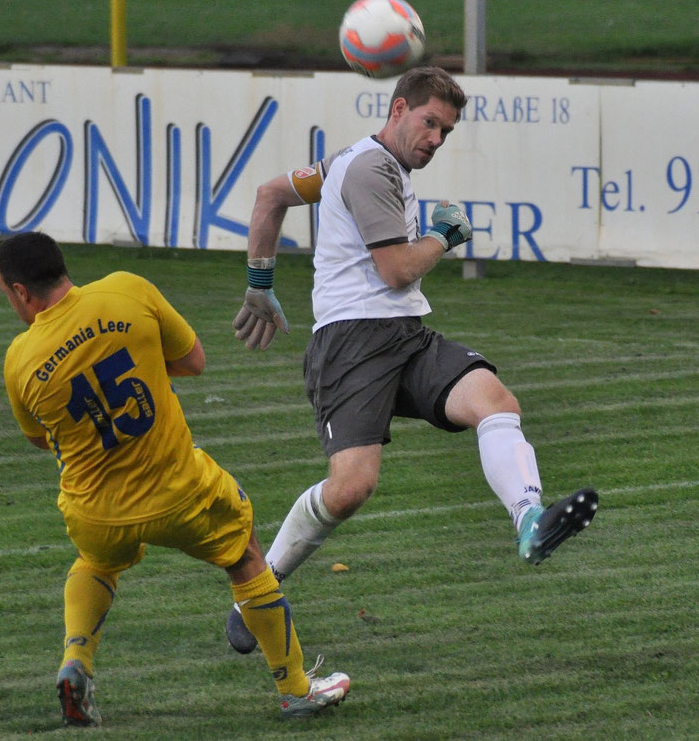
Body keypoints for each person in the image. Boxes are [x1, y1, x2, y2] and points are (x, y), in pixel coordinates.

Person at [226, 66, 598, 654]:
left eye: (446, 132)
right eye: (429, 123)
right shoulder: (372, 168)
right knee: (350, 489)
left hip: (403, 334)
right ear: (398, 109)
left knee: (495, 402)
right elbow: (396, 269)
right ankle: (258, 590)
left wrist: (260, 279)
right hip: (350, 345)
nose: (435, 139)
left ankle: (529, 522)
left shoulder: (350, 161)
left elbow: (271, 193)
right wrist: (445, 238)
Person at [0, 231, 350, 726]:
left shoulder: (19, 359)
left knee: (97, 562)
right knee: (245, 554)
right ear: (61, 267)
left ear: (21, 292)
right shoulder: (127, 289)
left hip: (94, 509)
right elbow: (194, 361)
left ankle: (76, 660)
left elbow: (39, 438)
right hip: (178, 491)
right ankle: (295, 690)